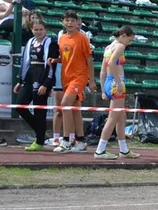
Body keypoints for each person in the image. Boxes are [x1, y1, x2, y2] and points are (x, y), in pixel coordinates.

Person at [14, 13, 59, 151]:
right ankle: (41, 132)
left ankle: (39, 141)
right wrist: (20, 81)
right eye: (36, 29)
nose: (38, 32)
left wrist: (46, 84)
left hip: (42, 76)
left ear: (45, 30)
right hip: (29, 76)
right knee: (20, 106)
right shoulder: (30, 42)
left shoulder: (50, 42)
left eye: (41, 29)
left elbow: (52, 65)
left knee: (39, 110)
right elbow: (25, 63)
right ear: (32, 30)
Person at [93, 26, 140, 159]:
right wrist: (119, 82)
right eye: (129, 40)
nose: (129, 43)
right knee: (113, 118)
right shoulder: (119, 46)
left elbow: (103, 70)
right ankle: (100, 150)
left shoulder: (109, 47)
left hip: (108, 82)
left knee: (121, 118)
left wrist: (103, 89)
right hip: (116, 83)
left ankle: (123, 150)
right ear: (124, 35)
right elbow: (112, 63)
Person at [54, 9, 96, 153]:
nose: (70, 23)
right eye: (67, 20)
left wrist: (91, 80)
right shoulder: (62, 38)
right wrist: (55, 59)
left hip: (79, 77)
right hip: (66, 76)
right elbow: (66, 57)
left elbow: (89, 59)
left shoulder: (82, 38)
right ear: (63, 22)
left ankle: (66, 140)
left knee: (65, 104)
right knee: (76, 109)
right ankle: (81, 140)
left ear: (77, 23)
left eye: (73, 20)